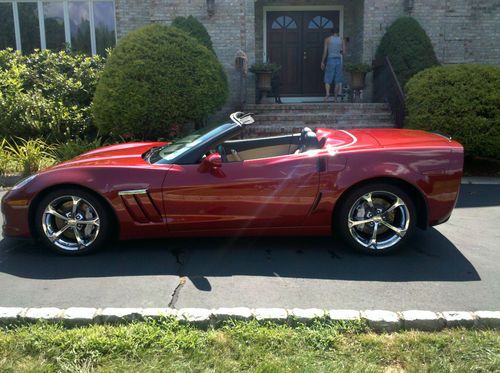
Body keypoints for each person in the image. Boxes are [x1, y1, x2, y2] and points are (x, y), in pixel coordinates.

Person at [321, 28, 346, 102]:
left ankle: (327, 94)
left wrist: (322, 62)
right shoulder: (342, 40)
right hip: (338, 60)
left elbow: (325, 51)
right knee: (337, 80)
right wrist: (339, 51)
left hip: (330, 60)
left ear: (331, 33)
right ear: (338, 32)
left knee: (328, 79)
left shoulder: (327, 39)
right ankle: (335, 98)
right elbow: (344, 52)